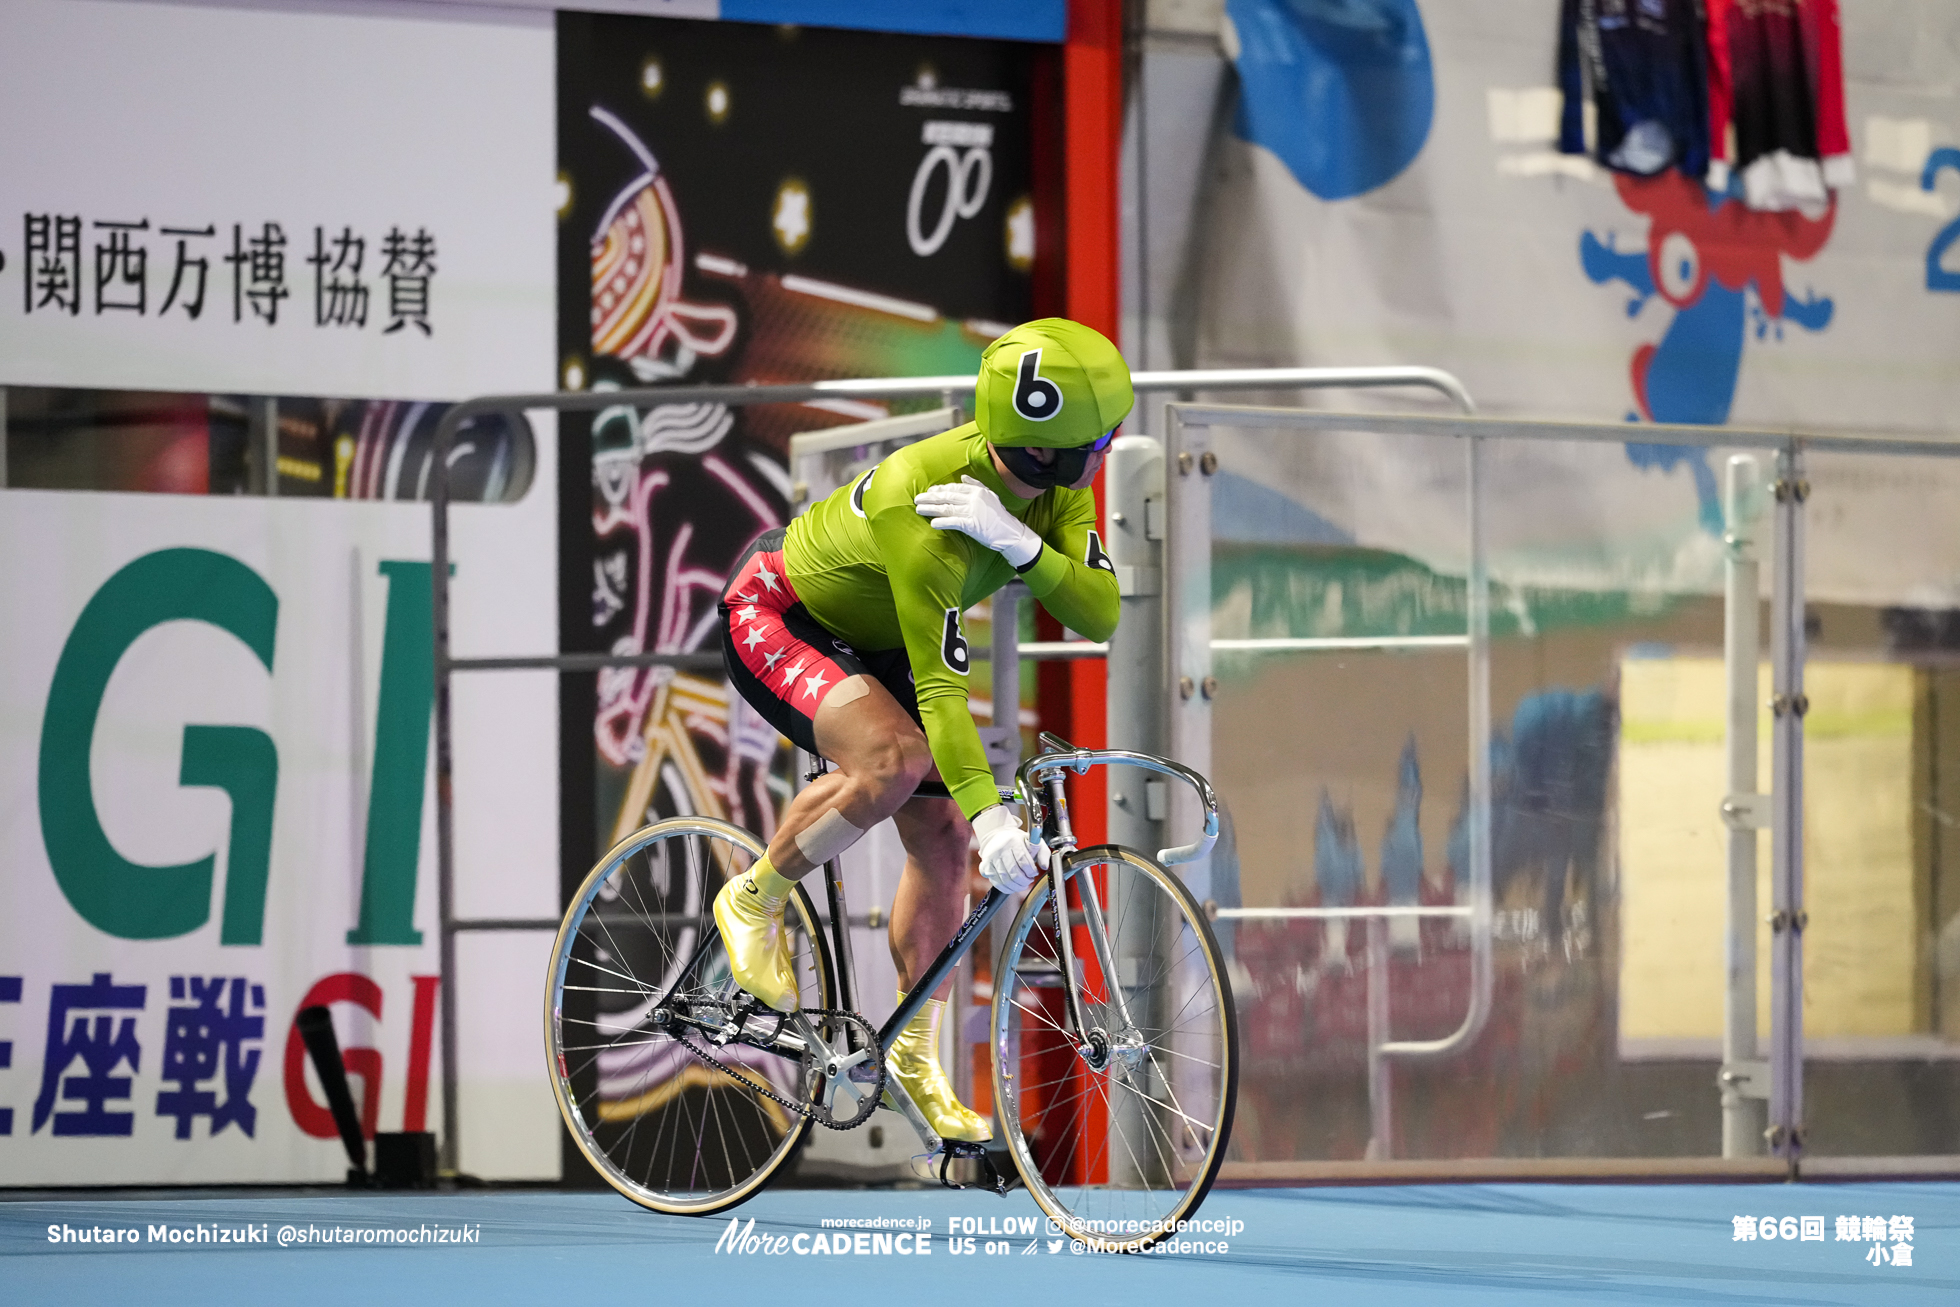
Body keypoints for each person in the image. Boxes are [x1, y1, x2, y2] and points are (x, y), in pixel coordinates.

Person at [712, 318, 1131, 1143]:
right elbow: (942, 691)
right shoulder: (923, 500)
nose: (1106, 449)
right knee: (893, 763)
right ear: (1046, 449)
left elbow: (1101, 610)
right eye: (1099, 440)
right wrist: (992, 813)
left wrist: (1018, 544)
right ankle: (751, 897)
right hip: (780, 613)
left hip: (882, 636)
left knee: (941, 839)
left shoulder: (1053, 484)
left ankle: (910, 1050)